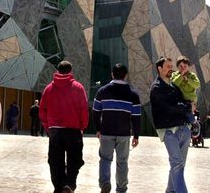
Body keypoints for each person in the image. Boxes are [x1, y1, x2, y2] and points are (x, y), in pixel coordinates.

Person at [39, 60, 89, 193]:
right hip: (73, 130)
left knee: (55, 161)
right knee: (75, 159)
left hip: (55, 130)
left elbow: (42, 110)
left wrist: (48, 127)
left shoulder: (49, 88)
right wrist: (83, 126)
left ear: (57, 71)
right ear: (70, 71)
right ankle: (69, 183)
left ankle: (59, 186)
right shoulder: (78, 87)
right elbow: (83, 108)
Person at [92, 63, 141, 193]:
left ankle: (105, 183)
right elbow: (136, 117)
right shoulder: (133, 95)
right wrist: (136, 135)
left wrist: (98, 129)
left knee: (105, 159)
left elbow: (95, 112)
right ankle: (121, 189)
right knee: (122, 162)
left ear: (112, 74)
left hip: (106, 132)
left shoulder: (102, 91)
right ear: (125, 76)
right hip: (124, 133)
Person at [150, 57, 191, 193]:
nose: (171, 69)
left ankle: (170, 191)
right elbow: (170, 107)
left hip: (183, 129)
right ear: (159, 69)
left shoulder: (174, 85)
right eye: (167, 66)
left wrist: (186, 107)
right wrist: (186, 106)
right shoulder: (156, 88)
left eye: (171, 66)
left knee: (179, 165)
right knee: (177, 164)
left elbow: (184, 101)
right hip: (169, 131)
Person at [171, 56, 200, 124]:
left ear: (188, 66)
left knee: (188, 114)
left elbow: (197, 84)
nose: (183, 68)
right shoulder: (175, 74)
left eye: (185, 66)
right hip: (179, 99)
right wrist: (181, 76)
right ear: (177, 67)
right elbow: (174, 83)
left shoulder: (192, 75)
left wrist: (188, 80)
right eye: (181, 66)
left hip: (189, 100)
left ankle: (194, 122)